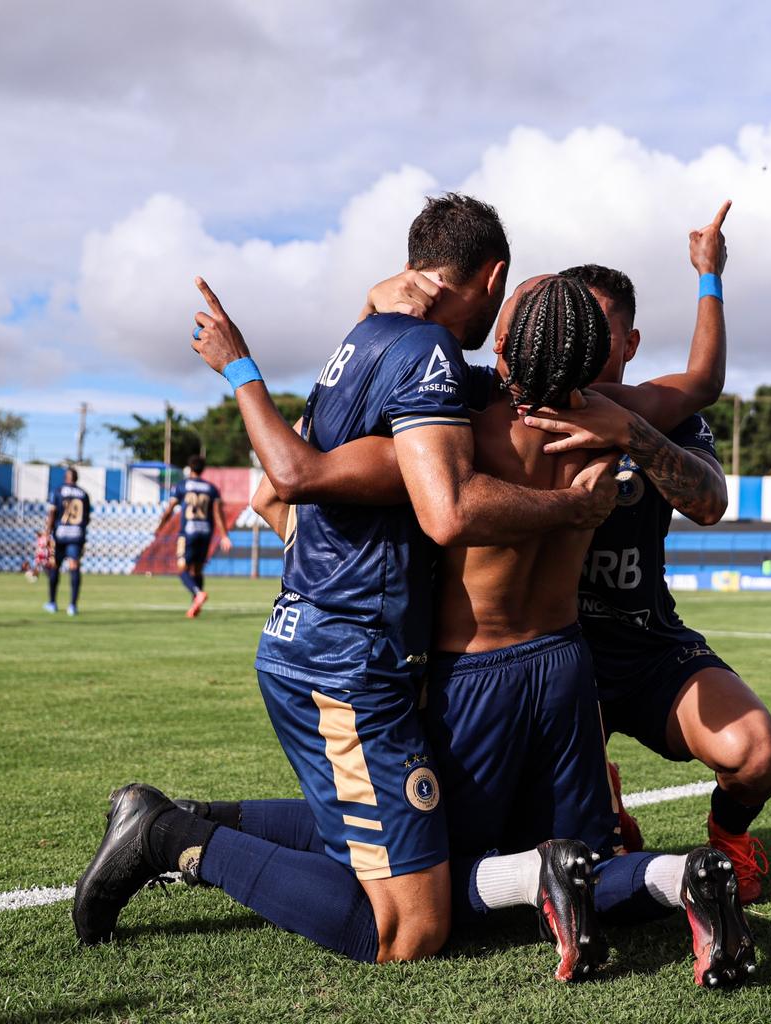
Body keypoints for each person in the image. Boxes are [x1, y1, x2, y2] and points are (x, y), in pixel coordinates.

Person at [73, 194, 619, 978]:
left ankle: (194, 817)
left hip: (344, 645)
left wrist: (330, 568)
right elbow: (431, 506)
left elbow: (278, 492)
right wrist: (574, 505)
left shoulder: (367, 337)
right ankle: (169, 838)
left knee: (375, 837)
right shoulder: (426, 356)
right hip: (345, 660)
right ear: (492, 278)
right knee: (408, 931)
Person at [509, 256, 771, 904]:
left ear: (629, 344)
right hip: (559, 652)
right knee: (559, 835)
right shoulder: (521, 408)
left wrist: (632, 434)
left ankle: (730, 836)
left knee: (756, 754)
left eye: (597, 331)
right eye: (567, 324)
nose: (579, 342)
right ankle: (605, 804)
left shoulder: (661, 410)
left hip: (646, 642)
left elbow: (711, 502)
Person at [154, 455, 232, 617]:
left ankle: (197, 594)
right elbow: (218, 513)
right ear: (203, 470)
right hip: (206, 532)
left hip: (188, 532)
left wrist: (160, 526)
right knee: (197, 570)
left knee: (182, 569)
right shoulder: (211, 488)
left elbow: (170, 508)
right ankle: (195, 604)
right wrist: (224, 535)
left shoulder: (183, 486)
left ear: (190, 468)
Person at [45, 468, 90, 616]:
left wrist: (46, 533)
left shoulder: (57, 491)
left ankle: (52, 603)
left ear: (66, 477)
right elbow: (87, 518)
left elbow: (52, 513)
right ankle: (72, 606)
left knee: (54, 567)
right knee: (74, 567)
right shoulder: (84, 494)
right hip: (76, 535)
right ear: (76, 479)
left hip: (60, 534)